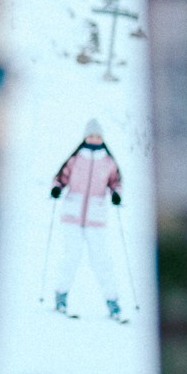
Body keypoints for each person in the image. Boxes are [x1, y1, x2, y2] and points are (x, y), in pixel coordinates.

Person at [48, 119, 126, 322]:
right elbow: (60, 178)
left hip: (96, 218)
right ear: (85, 137)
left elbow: (116, 183)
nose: (94, 139)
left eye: (98, 136)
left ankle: (113, 302)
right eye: (91, 135)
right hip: (72, 215)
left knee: (102, 260)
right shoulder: (75, 159)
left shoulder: (108, 162)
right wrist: (56, 189)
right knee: (70, 257)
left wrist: (116, 195)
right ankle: (61, 297)